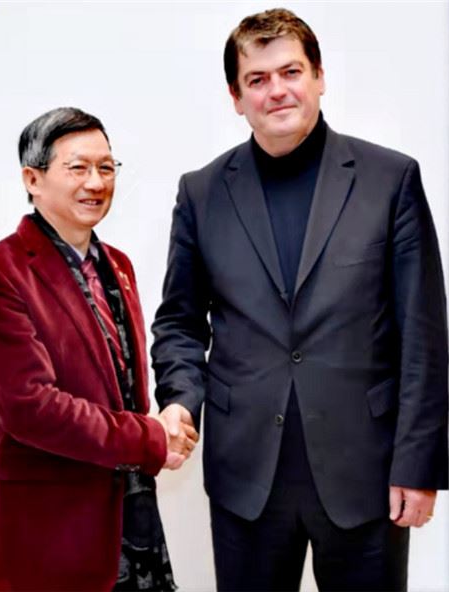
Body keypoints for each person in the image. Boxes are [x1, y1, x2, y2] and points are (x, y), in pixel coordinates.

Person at [151, 8, 448, 591]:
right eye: (257, 79)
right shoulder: (201, 192)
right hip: (245, 478)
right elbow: (180, 323)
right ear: (236, 97)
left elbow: (423, 335)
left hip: (366, 473)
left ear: (319, 77)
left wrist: (418, 464)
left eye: (290, 72)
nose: (277, 90)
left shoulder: (391, 180)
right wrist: (180, 400)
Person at [0, 107, 197, 592]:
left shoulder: (118, 265)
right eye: (78, 168)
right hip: (45, 533)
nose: (96, 182)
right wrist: (151, 438)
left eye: (106, 167)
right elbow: (31, 408)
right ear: (33, 179)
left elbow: (124, 388)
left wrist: (172, 415)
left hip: (129, 518)